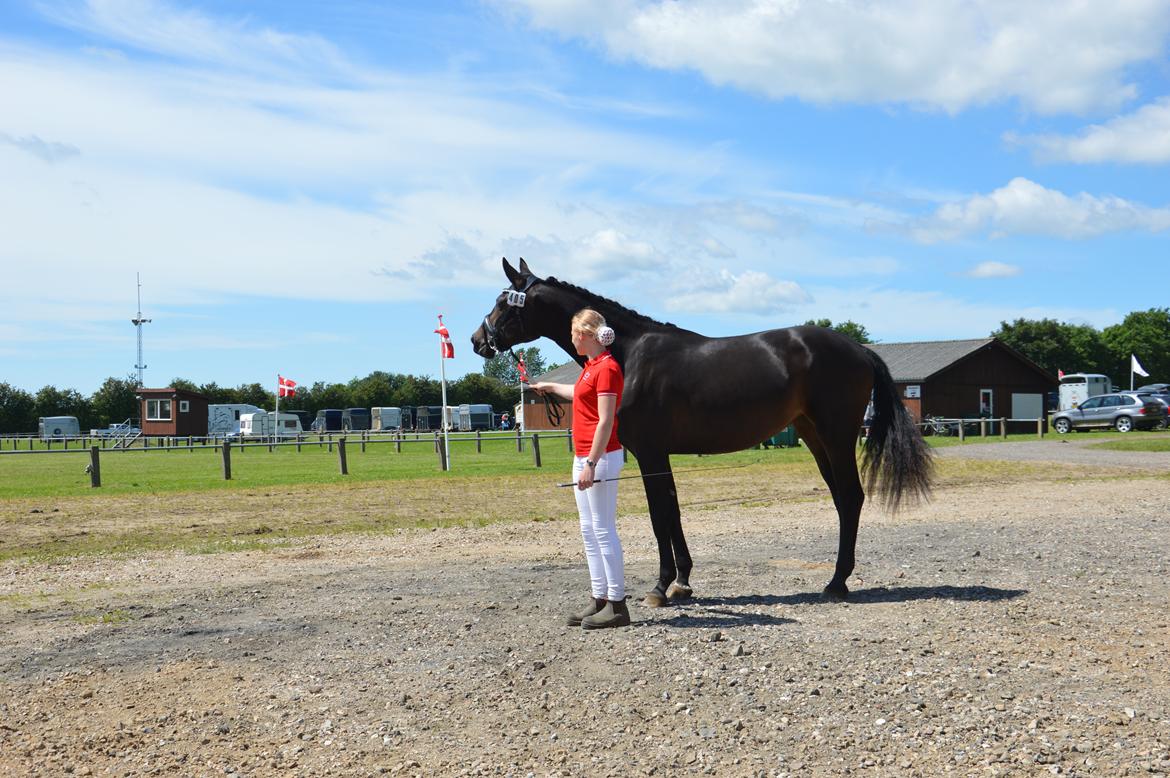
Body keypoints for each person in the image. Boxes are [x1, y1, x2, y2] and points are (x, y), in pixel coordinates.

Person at [529, 308, 629, 629]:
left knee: (602, 529)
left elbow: (605, 420)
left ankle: (617, 604)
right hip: (583, 455)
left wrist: (591, 463)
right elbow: (578, 393)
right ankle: (599, 597)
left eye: (573, 334)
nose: (571, 339)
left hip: (599, 457)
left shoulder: (608, 368)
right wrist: (548, 386)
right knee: (589, 530)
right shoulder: (590, 367)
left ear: (584, 335)